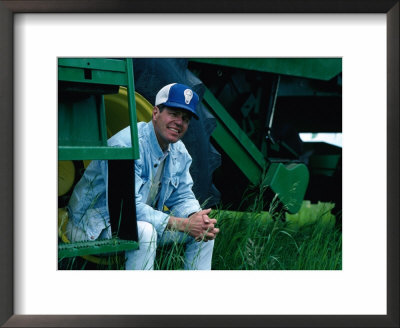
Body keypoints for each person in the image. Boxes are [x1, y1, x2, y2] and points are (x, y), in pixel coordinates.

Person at [66, 83, 219, 270]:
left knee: (204, 234)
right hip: (91, 226)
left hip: (138, 223)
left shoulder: (178, 151)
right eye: (173, 114)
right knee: (146, 232)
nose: (179, 122)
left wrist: (196, 218)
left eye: (185, 118)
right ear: (155, 113)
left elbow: (183, 196)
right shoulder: (125, 146)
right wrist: (181, 224)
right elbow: (126, 208)